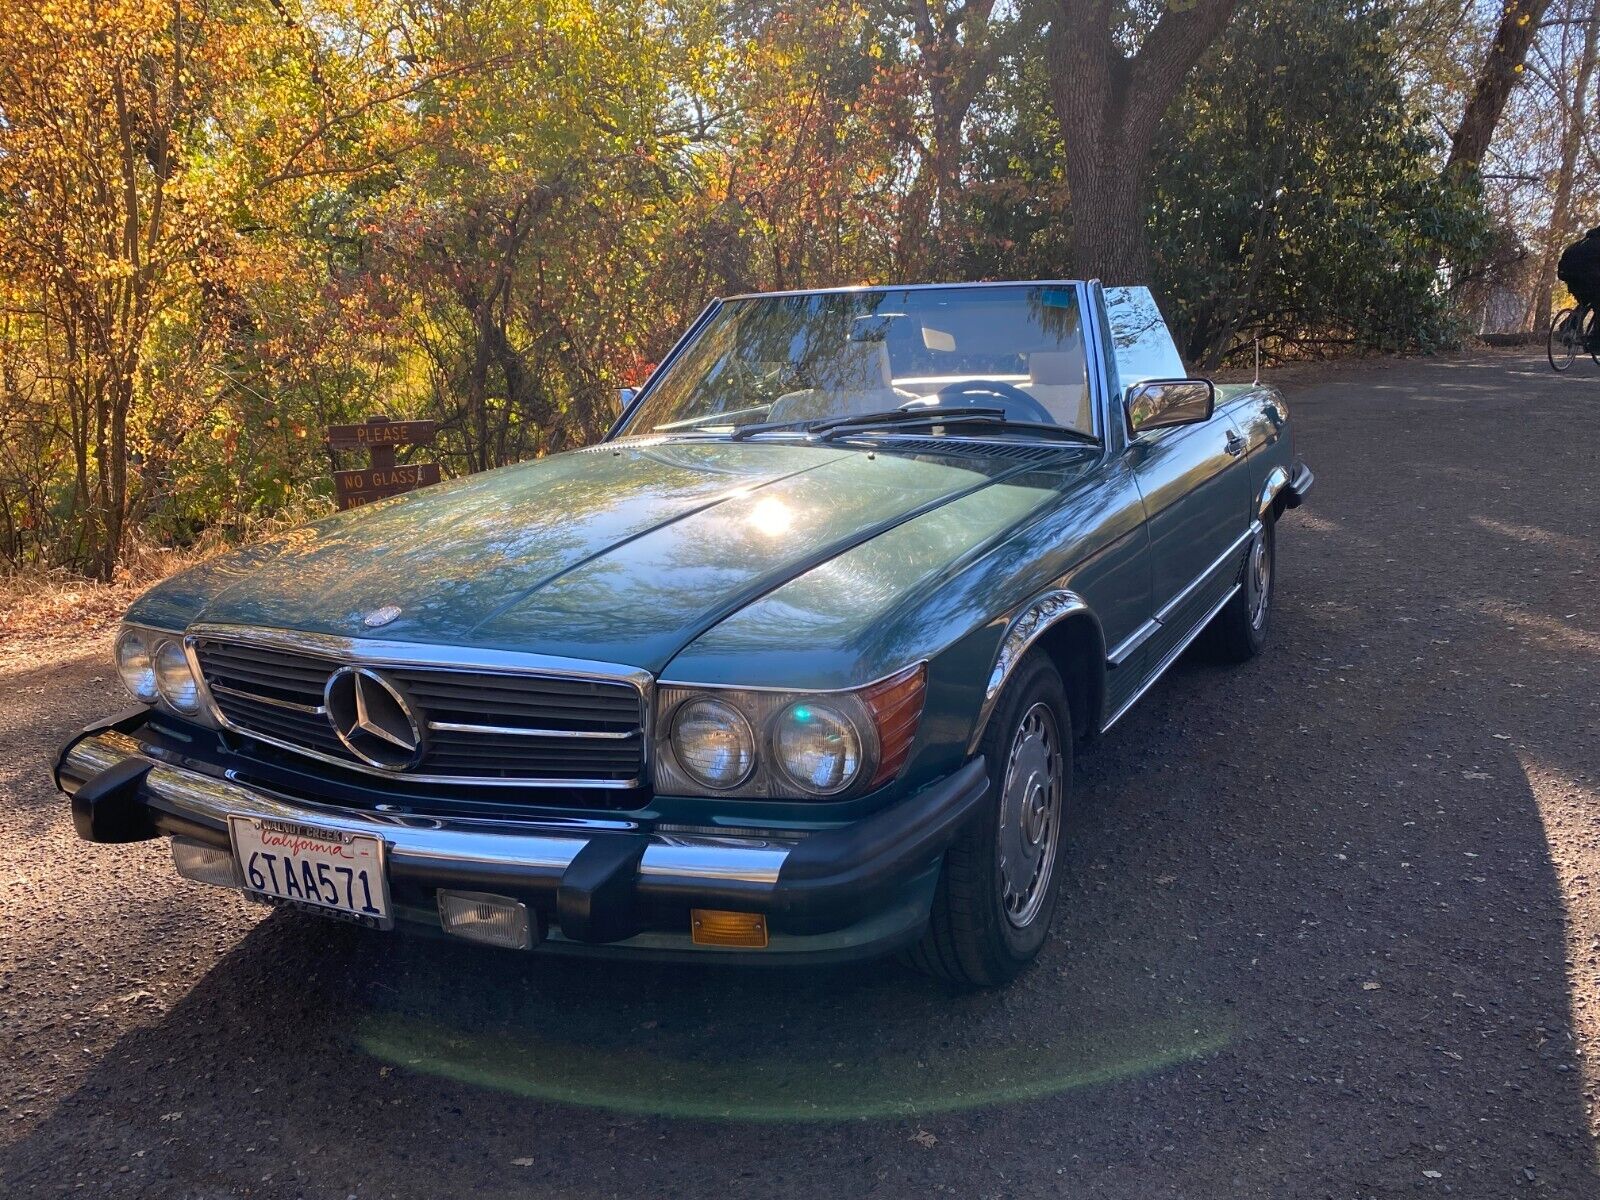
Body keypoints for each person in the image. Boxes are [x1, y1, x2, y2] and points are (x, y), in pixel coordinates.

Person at [1557, 226, 1600, 347]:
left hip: (1571, 281)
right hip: (1589, 281)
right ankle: (1595, 340)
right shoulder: (1597, 245)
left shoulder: (1578, 245)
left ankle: (1569, 325)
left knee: (1585, 301)